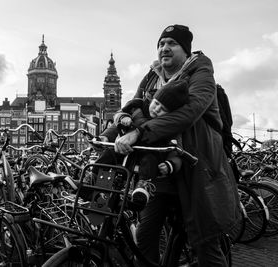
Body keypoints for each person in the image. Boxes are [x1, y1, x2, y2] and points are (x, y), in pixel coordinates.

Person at [100, 24, 240, 267]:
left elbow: (190, 111)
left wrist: (140, 132)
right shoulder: (153, 75)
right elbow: (134, 108)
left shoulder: (200, 70)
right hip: (160, 172)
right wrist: (119, 127)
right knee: (145, 236)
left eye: (172, 43)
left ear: (185, 50)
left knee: (205, 242)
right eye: (161, 44)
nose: (164, 48)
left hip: (197, 168)